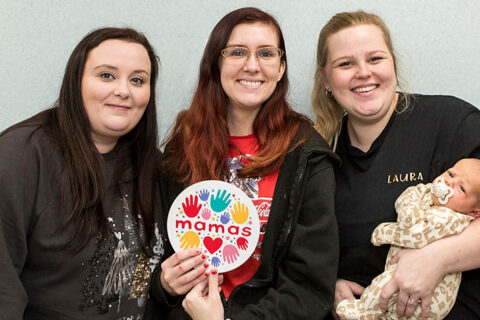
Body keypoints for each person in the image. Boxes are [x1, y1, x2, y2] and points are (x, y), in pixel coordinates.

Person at [151, 7, 339, 320]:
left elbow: (310, 289)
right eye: (237, 52)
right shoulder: (183, 148)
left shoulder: (307, 154)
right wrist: (164, 286)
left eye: (265, 53)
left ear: (280, 69)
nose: (252, 66)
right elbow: (158, 257)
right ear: (216, 63)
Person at [311, 10, 480, 320]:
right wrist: (327, 285)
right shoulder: (318, 156)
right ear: (326, 80)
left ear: (393, 64)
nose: (363, 72)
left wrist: (438, 258)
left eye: (375, 59)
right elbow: (306, 252)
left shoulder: (450, 122)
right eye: (346, 63)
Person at [0, 28, 165, 319]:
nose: (124, 91)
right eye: (106, 76)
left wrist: (165, 285)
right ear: (76, 81)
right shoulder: (20, 155)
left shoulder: (152, 165)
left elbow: (142, 276)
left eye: (138, 80)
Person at [336, 158, 480, 319]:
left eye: (461, 188)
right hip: (403, 285)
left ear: (473, 213)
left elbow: (416, 235)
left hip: (430, 297)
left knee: (386, 284)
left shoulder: (451, 218)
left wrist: (385, 232)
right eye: (451, 174)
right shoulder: (431, 198)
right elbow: (413, 194)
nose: (449, 183)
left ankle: (364, 311)